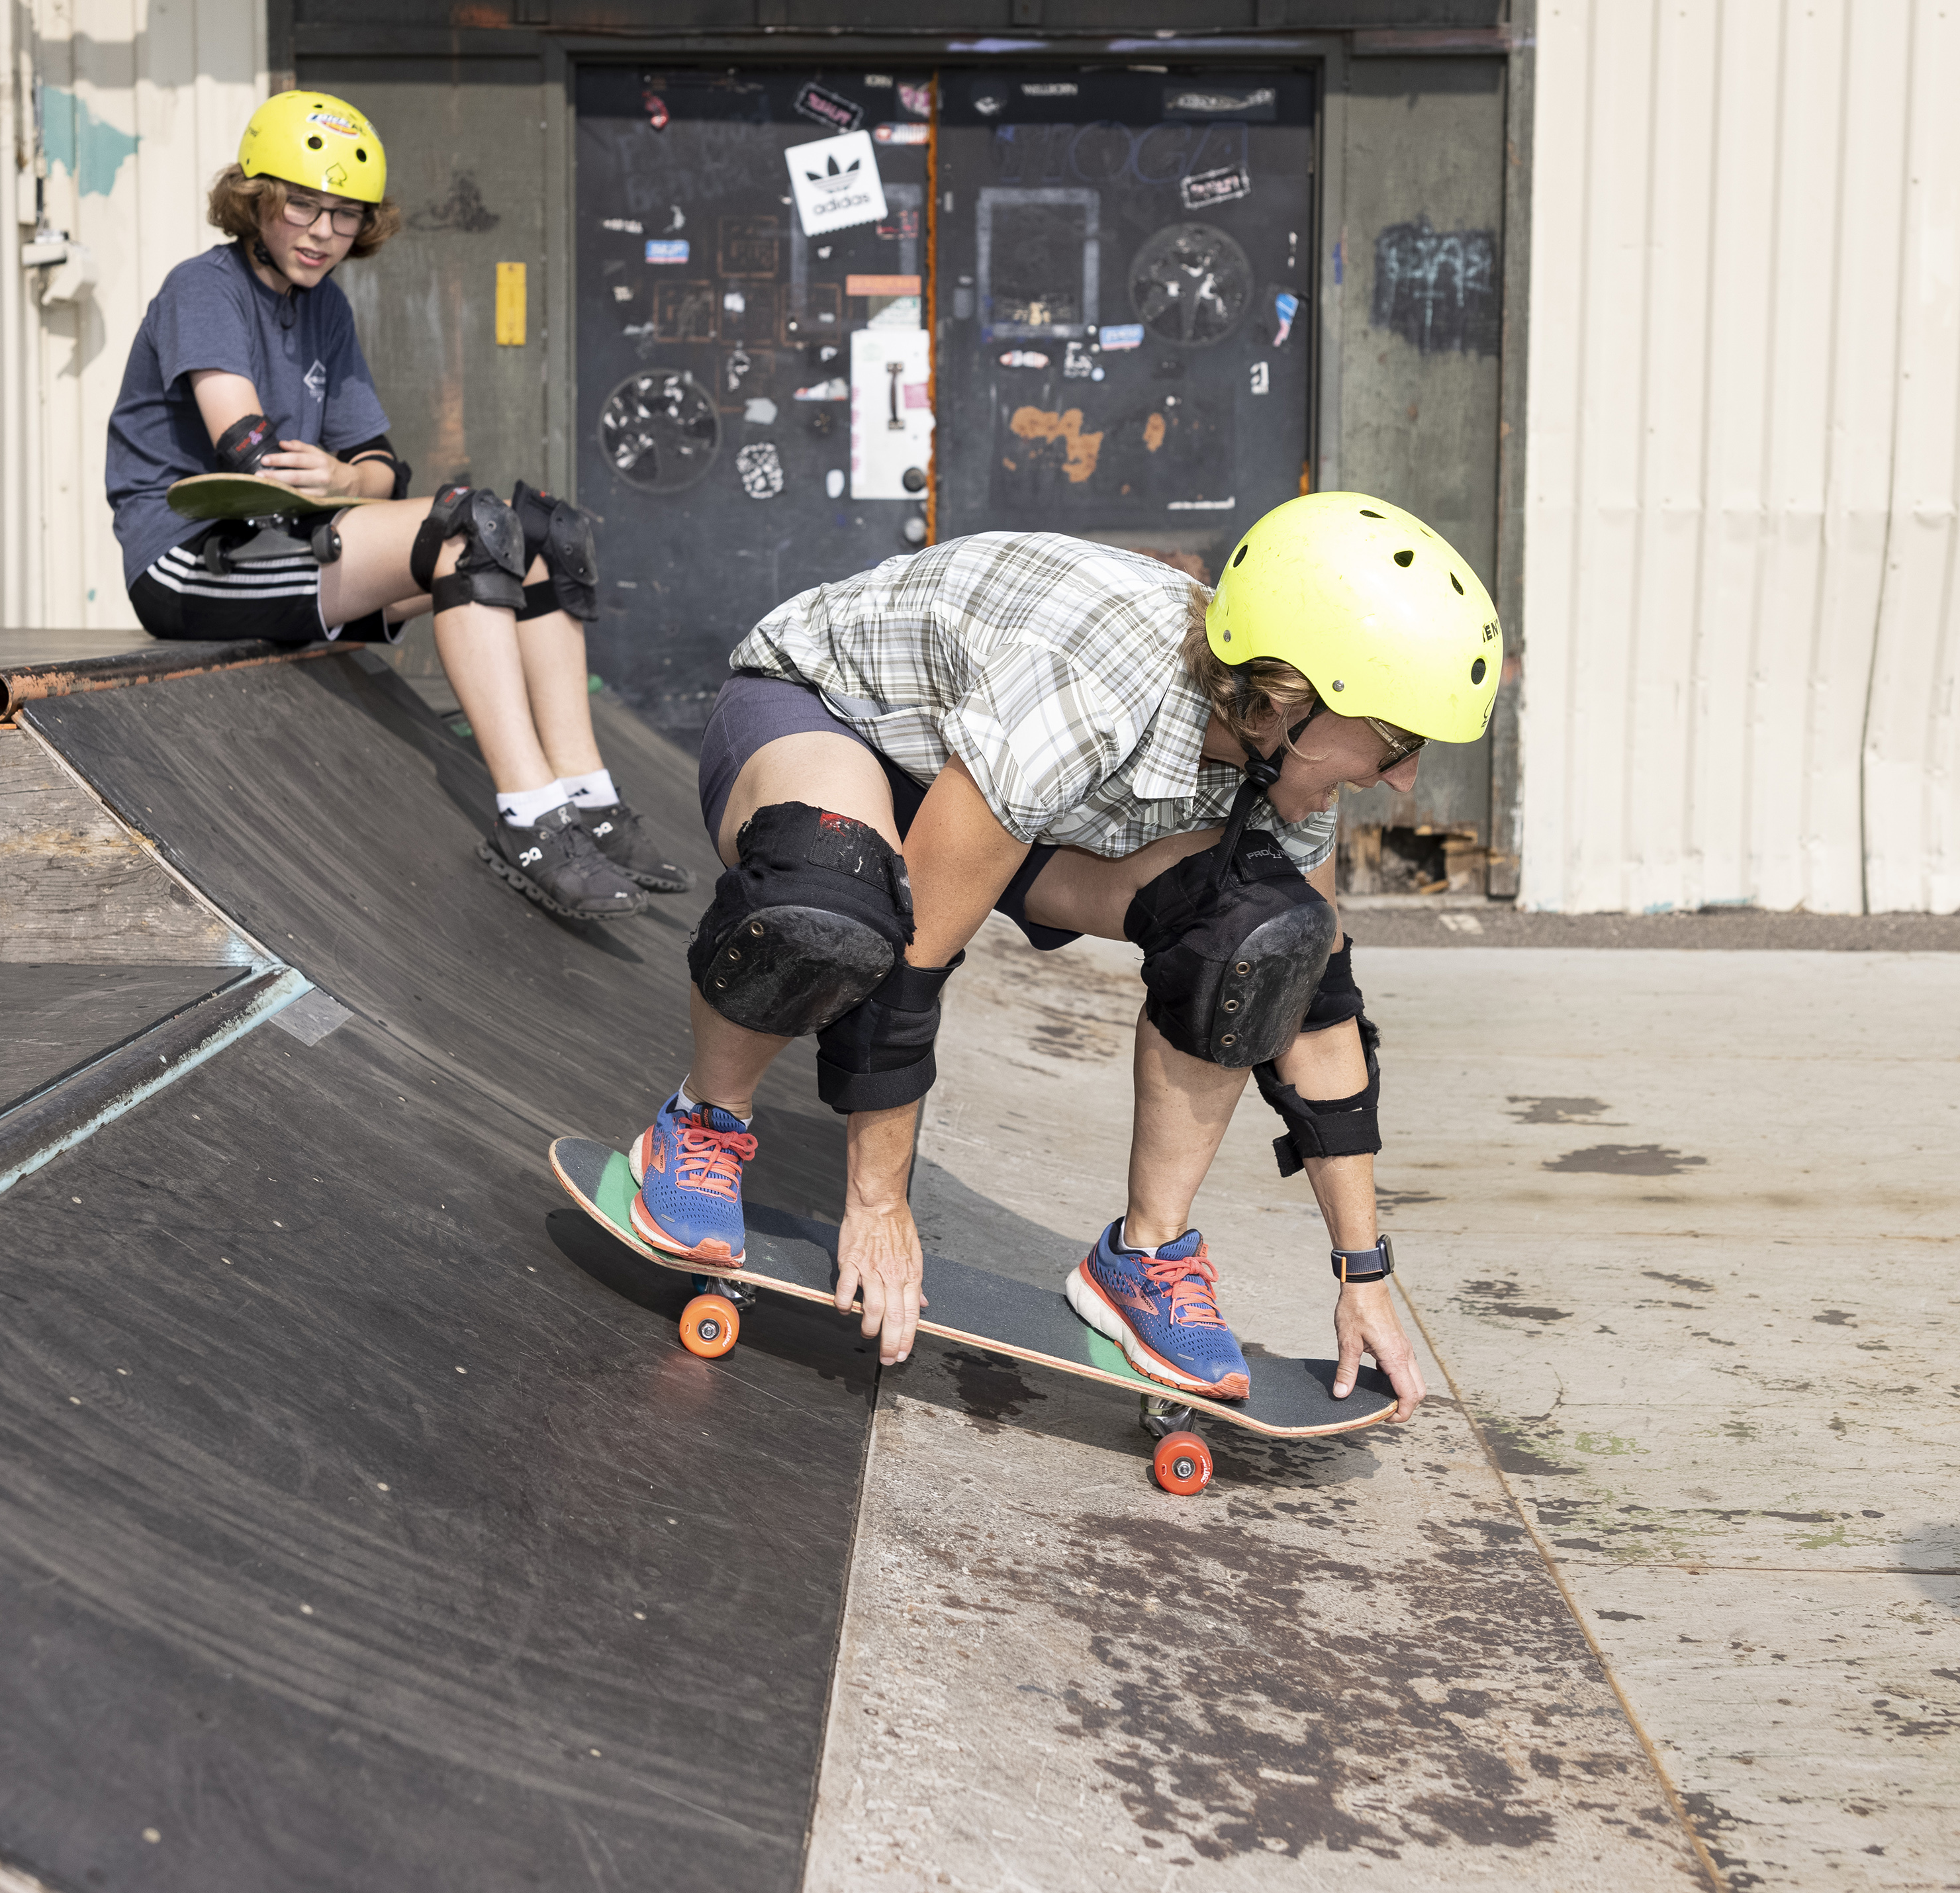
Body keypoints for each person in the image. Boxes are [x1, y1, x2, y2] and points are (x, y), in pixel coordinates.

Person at [625, 495, 1505, 1416]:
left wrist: (1363, 1273)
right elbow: (918, 951)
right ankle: (701, 1123)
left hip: (1014, 798)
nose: (1405, 776)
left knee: (1261, 935)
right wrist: (880, 1203)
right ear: (1288, 700)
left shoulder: (1288, 762)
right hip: (831, 722)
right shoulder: (1089, 686)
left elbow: (1317, 1009)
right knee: (837, 892)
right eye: (1397, 740)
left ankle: (1146, 1257)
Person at [103, 88, 686, 919]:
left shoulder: (325, 307)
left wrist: (346, 478)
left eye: (344, 215)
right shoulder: (205, 287)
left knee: (540, 536)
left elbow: (376, 465)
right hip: (194, 559)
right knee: (464, 530)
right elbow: (246, 447)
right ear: (255, 198)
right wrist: (343, 479)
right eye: (302, 205)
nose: (321, 232)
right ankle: (528, 815)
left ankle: (586, 794)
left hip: (291, 547)